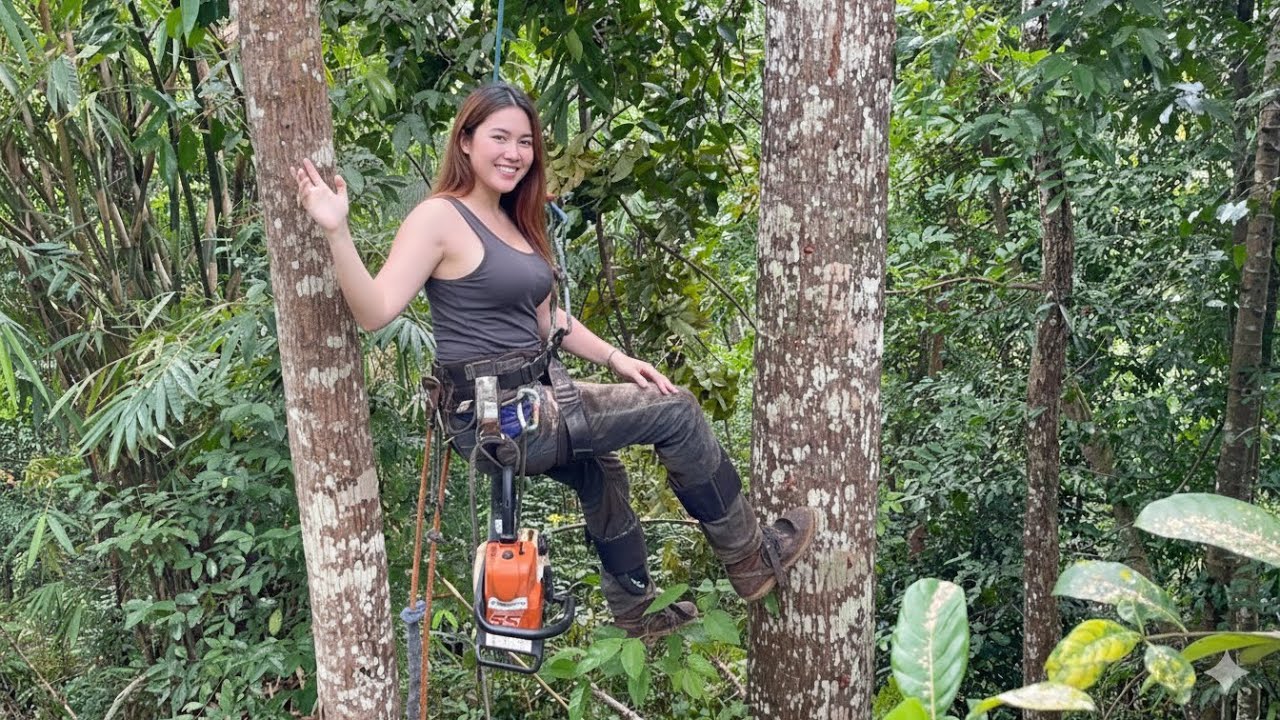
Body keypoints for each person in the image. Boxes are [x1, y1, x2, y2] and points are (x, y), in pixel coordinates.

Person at [293, 82, 816, 639]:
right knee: (679, 412)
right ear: (465, 142)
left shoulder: (514, 221)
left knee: (602, 473)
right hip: (500, 415)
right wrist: (336, 229)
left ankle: (635, 611)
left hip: (532, 403)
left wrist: (617, 359)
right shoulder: (439, 218)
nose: (514, 153)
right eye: (499, 137)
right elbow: (374, 311)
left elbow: (548, 320)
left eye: (525, 141)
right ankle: (750, 558)